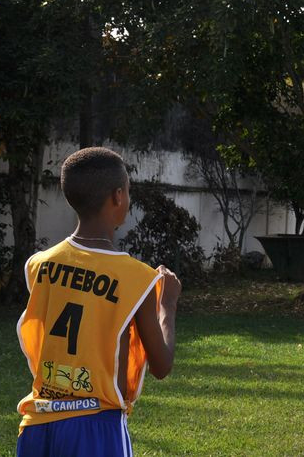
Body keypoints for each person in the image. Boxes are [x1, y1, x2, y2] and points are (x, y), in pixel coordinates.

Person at [15, 147, 182, 456]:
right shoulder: (136, 278)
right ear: (118, 197)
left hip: (38, 421)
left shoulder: (39, 265)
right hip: (96, 426)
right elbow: (162, 365)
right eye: (128, 192)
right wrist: (167, 305)